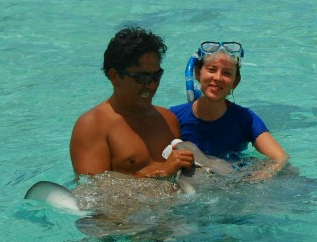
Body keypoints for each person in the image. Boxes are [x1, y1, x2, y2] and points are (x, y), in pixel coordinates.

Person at [70, 26, 194, 178]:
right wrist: (161, 172)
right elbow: (92, 194)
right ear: (115, 76)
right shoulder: (92, 126)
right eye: (142, 78)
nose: (152, 85)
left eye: (156, 76)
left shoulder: (168, 120)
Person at [170, 41, 289, 180]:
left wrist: (261, 176)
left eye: (226, 73)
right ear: (197, 73)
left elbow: (280, 158)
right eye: (212, 69)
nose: (218, 78)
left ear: (235, 82)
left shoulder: (246, 119)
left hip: (233, 177)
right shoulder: (174, 117)